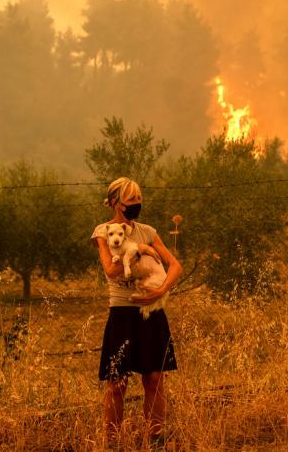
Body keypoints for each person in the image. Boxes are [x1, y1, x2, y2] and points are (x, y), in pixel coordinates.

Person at [90, 177, 183, 446]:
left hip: (152, 311)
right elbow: (111, 269)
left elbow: (175, 265)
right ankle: (112, 443)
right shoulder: (104, 232)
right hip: (121, 312)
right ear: (115, 203)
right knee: (117, 383)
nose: (136, 204)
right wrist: (142, 253)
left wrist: (161, 290)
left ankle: (156, 440)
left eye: (139, 199)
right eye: (131, 200)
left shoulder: (148, 231)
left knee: (154, 379)